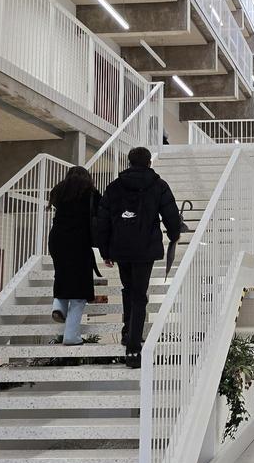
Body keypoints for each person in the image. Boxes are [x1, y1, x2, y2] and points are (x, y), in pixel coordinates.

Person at [94, 146, 182, 369]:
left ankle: (127, 331)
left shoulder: (114, 187)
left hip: (121, 247)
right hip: (145, 247)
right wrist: (174, 235)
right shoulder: (159, 186)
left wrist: (105, 250)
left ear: (129, 162)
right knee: (139, 294)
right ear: (149, 162)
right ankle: (133, 347)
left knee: (128, 288)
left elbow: (103, 220)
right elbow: (170, 214)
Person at [47, 166, 100, 346]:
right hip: (79, 241)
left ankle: (58, 307)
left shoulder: (59, 191)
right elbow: (101, 214)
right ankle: (71, 336)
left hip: (57, 239)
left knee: (62, 274)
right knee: (80, 289)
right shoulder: (91, 193)